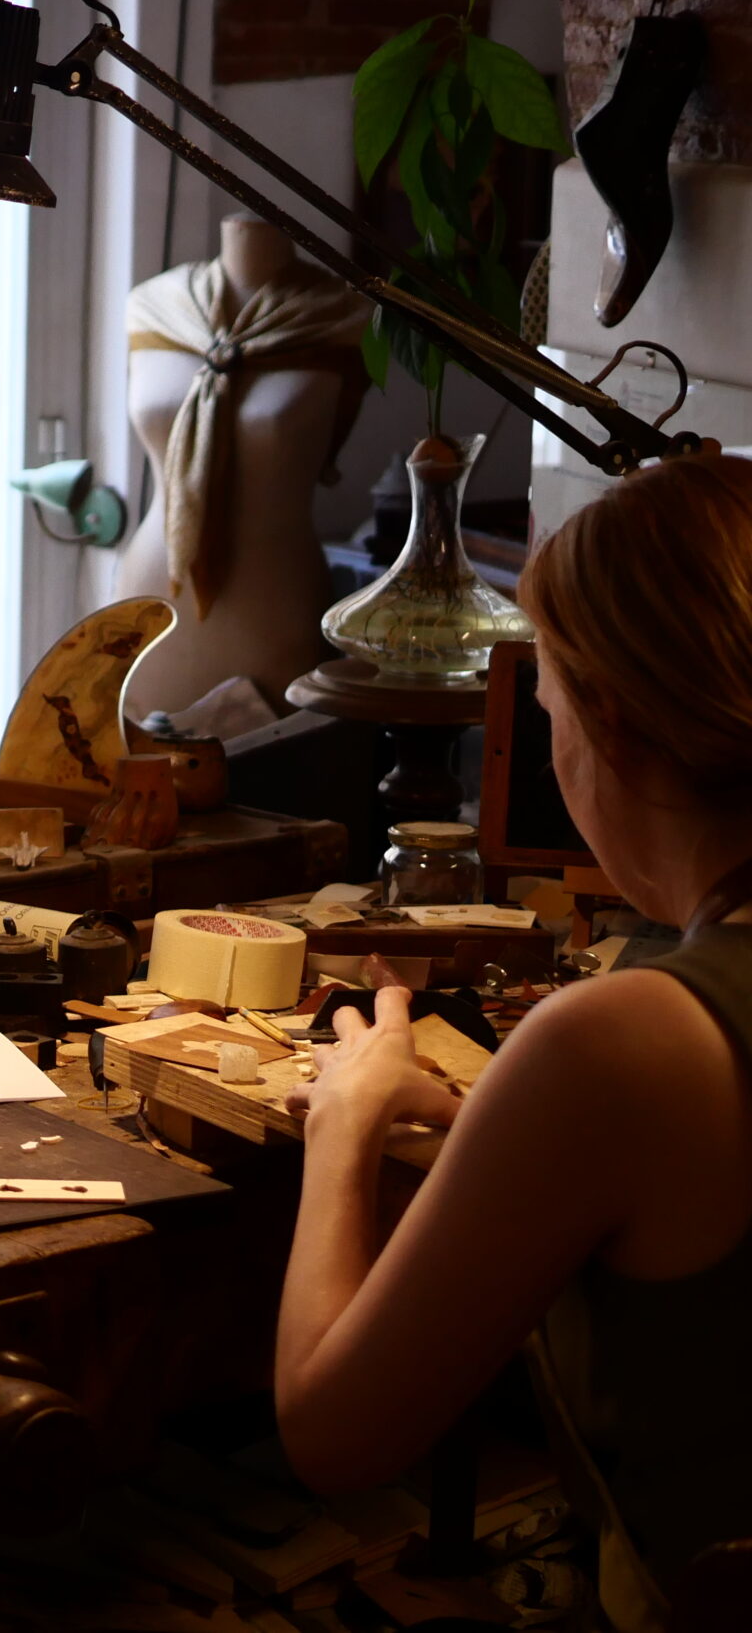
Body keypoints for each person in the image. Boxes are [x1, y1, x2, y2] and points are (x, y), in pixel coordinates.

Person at [273, 454, 752, 1630]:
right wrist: (500, 1132)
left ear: (618, 729)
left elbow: (333, 1431)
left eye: (547, 717)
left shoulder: (627, 1038)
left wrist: (346, 1117)